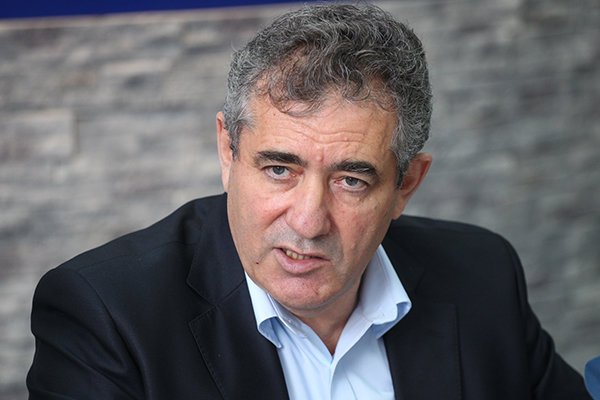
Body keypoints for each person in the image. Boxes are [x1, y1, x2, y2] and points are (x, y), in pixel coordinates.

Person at [27, 3, 590, 399]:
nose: (308, 220)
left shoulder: (482, 274)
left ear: (406, 185)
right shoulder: (106, 315)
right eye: (279, 170)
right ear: (228, 151)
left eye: (351, 180)